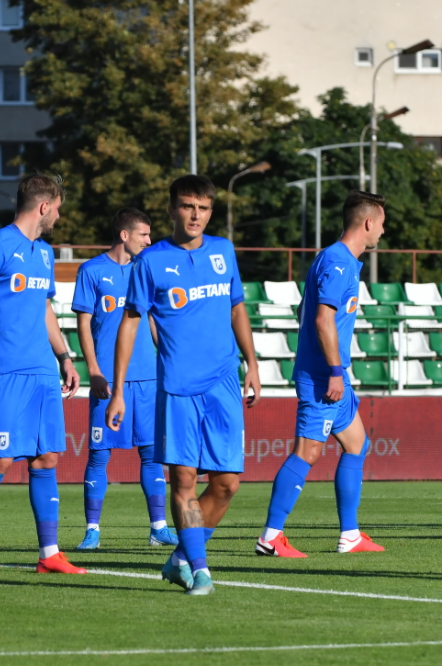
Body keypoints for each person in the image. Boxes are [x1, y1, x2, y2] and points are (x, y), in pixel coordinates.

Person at [107, 174, 261, 596]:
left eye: (204, 208)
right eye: (189, 206)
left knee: (228, 483)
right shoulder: (151, 262)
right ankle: (200, 569)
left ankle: (179, 559)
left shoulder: (223, 251)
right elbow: (130, 323)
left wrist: (252, 362)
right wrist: (118, 389)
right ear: (173, 208)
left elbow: (237, 309)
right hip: (176, 390)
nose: (196, 215)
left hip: (223, 385)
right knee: (184, 482)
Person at [0, 174, 83, 577]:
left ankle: (49, 553)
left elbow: (45, 309)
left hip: (42, 372)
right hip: (6, 372)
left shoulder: (44, 253)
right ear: (43, 206)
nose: (58, 215)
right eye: (57, 208)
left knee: (47, 457)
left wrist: (65, 357)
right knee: (0, 459)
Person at [256, 191, 386, 557]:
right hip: (322, 378)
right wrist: (332, 370)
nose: (383, 232)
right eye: (382, 223)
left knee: (357, 443)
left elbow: (307, 309)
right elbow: (321, 318)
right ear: (368, 222)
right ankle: (270, 536)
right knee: (307, 452)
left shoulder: (341, 261)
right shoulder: (338, 261)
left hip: (333, 374)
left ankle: (350, 534)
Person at [72, 208, 177, 550]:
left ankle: (158, 528)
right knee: (100, 455)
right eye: (144, 234)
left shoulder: (145, 271)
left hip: (147, 379)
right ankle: (92, 530)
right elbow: (84, 324)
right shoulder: (91, 270)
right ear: (124, 235)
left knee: (151, 454)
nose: (150, 240)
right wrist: (93, 370)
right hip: (107, 380)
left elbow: (153, 322)